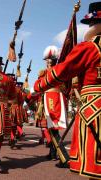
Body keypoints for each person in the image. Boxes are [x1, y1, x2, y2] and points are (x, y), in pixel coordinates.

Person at [34, 2, 101, 179]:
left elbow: (63, 72)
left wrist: (39, 85)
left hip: (94, 107)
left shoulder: (90, 47)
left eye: (92, 24)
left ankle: (60, 154)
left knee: (94, 163)